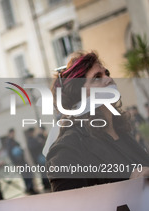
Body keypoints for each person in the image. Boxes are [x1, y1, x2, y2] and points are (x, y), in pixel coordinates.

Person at [46, 51, 149, 192]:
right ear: (78, 94)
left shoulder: (122, 132)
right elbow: (69, 209)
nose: (108, 79)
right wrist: (130, 189)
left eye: (107, 73)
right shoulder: (68, 149)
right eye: (97, 77)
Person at [6, 128, 37, 194]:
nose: (14, 134)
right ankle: (29, 189)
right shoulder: (9, 143)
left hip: (22, 161)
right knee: (26, 175)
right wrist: (16, 164)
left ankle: (31, 188)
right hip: (19, 163)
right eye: (12, 133)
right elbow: (11, 155)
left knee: (28, 174)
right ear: (10, 133)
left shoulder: (14, 141)